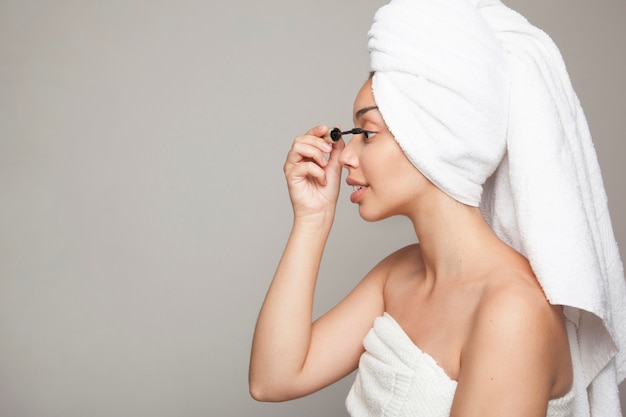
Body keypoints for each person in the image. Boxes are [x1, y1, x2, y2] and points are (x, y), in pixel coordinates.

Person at [249, 1, 626, 416]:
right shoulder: (398, 274)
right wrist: (312, 218)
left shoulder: (512, 312)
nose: (346, 156)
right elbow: (274, 379)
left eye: (367, 133)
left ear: (432, 139)